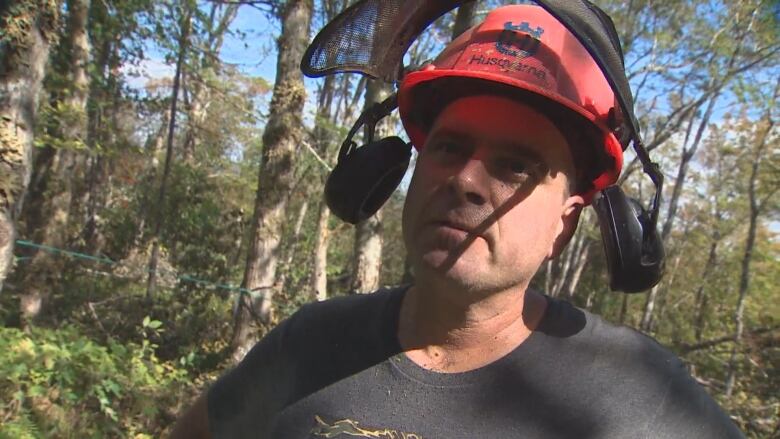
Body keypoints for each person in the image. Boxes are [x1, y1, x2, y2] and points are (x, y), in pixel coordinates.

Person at [172, 4, 743, 438]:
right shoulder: (312, 340)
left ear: (564, 228)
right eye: (448, 147)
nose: (466, 180)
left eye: (516, 165)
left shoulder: (639, 392)